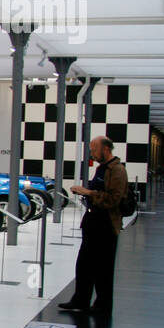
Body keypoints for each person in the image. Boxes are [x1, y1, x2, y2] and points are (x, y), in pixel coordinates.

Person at [59, 136, 128, 317]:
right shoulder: (102, 168)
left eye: (94, 149)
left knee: (103, 269)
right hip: (93, 221)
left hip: (106, 225)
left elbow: (114, 199)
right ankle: (80, 299)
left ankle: (102, 305)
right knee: (85, 265)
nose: (92, 153)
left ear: (106, 149)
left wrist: (87, 192)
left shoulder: (117, 170)